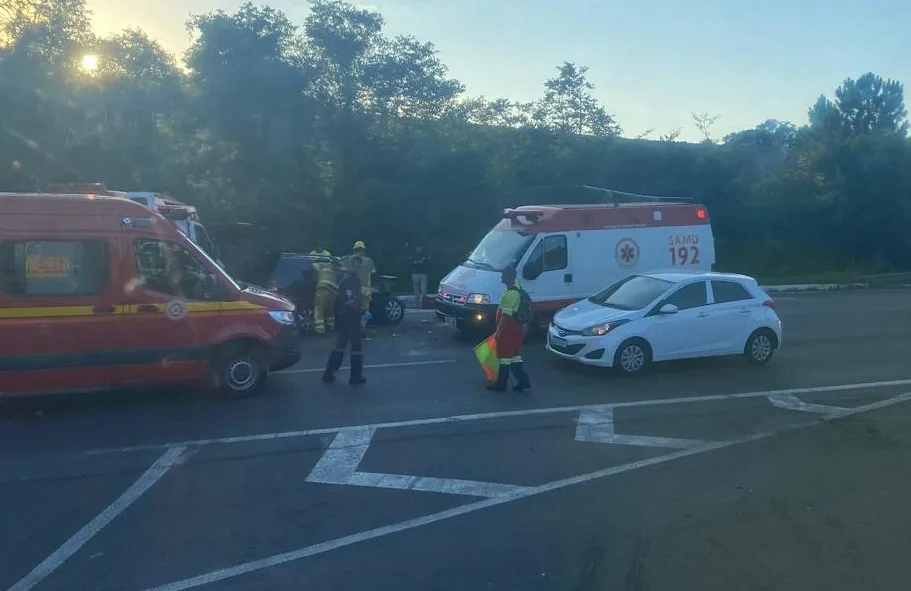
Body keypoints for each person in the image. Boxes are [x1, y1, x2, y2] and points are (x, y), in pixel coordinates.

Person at [321, 260, 366, 386]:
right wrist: (361, 312)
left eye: (360, 266)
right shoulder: (350, 280)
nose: (359, 268)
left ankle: (329, 374)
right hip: (350, 317)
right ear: (351, 266)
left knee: (340, 346)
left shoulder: (347, 279)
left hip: (343, 317)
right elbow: (350, 300)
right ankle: (355, 377)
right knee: (356, 347)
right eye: (357, 265)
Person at [487, 266, 531, 393]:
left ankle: (501, 384)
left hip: (508, 330)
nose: (501, 277)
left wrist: (499, 332)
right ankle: (523, 381)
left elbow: (506, 316)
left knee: (504, 356)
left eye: (503, 275)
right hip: (516, 329)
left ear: (510, 277)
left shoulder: (511, 294)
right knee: (515, 356)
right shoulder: (517, 289)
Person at [345, 240, 375, 326]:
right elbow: (373, 274)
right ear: (364, 250)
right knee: (364, 309)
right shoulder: (369, 260)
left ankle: (354, 327)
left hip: (354, 289)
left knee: (353, 308)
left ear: (354, 250)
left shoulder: (350, 259)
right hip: (366, 289)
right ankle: (362, 327)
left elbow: (344, 273)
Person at [310, 249, 337, 335]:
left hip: (322, 290)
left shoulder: (319, 266)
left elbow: (314, 267)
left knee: (319, 311)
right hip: (333, 291)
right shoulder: (333, 266)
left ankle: (320, 330)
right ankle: (331, 327)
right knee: (330, 311)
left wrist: (311, 261)